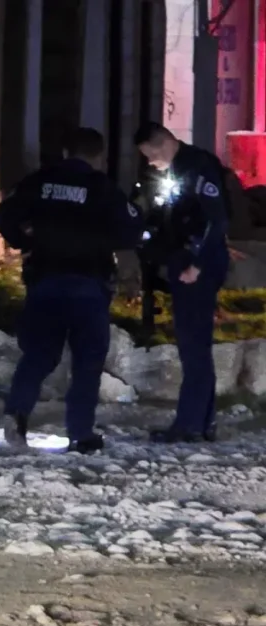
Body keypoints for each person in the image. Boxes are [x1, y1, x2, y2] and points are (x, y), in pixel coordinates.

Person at [0, 127, 145, 453]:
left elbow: (4, 215)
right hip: (88, 284)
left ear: (65, 152)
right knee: (87, 363)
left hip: (44, 280)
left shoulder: (37, 182)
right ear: (98, 156)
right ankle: (80, 434)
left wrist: (25, 240)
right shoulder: (102, 188)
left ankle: (16, 412)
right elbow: (131, 229)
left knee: (38, 354)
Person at [133, 122, 230, 443]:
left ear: (167, 143)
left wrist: (198, 265)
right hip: (187, 261)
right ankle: (202, 421)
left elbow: (215, 220)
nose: (150, 162)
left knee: (192, 346)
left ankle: (189, 424)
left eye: (152, 154)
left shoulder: (197, 167)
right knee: (194, 344)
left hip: (196, 265)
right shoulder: (181, 168)